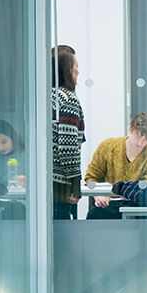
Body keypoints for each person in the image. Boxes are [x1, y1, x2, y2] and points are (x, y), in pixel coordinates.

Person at [84, 112, 147, 219]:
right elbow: (90, 179)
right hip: (107, 206)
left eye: (146, 139)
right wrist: (97, 194)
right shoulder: (107, 147)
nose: (140, 143)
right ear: (131, 130)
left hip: (137, 208)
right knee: (96, 216)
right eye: (138, 136)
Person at [51, 45, 85, 220]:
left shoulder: (48, 96)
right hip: (61, 184)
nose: (78, 71)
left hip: (47, 182)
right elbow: (68, 148)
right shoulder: (67, 98)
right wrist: (75, 185)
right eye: (75, 66)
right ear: (65, 70)